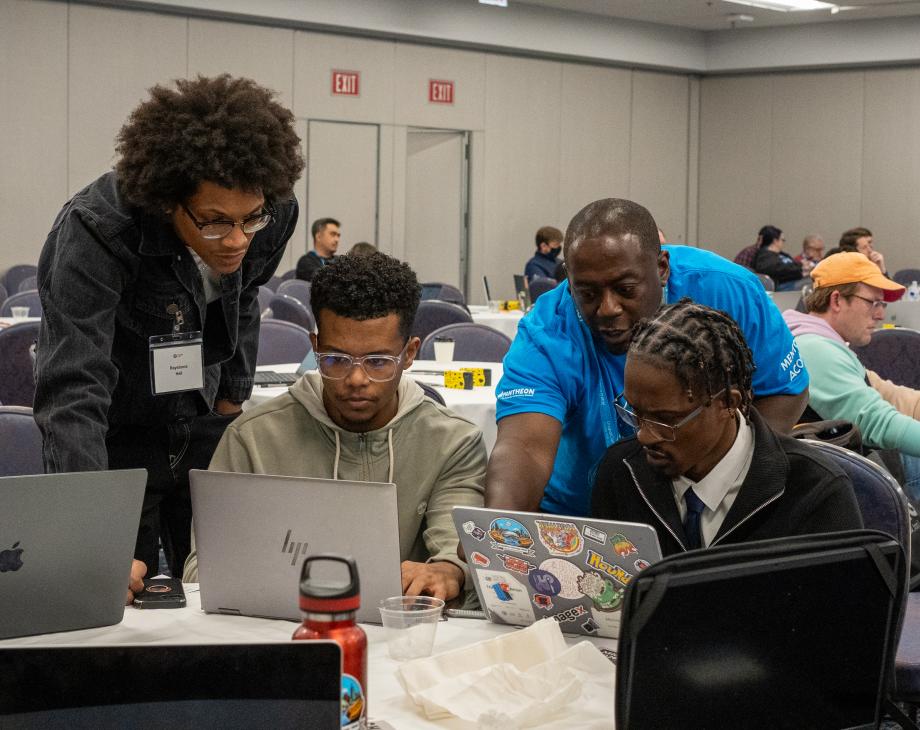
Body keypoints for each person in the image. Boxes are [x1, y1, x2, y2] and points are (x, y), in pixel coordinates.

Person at [33, 75, 303, 579]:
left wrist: (231, 404)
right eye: (214, 221)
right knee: (119, 595)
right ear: (166, 201)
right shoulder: (97, 230)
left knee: (228, 589)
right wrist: (90, 537)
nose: (237, 239)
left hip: (204, 423)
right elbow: (73, 386)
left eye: (250, 219)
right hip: (120, 431)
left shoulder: (274, 208)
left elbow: (244, 298)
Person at [182, 252, 486, 602]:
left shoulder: (453, 442)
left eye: (378, 361)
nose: (357, 379)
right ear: (315, 346)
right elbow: (204, 569)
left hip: (403, 636)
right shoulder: (253, 438)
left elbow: (456, 548)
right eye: (336, 359)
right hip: (280, 633)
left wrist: (447, 570)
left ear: (410, 353)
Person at [488, 198, 809, 517]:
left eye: (626, 289)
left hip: (714, 509)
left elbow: (783, 390)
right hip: (585, 517)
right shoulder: (548, 329)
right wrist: (498, 528)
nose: (607, 309)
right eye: (586, 293)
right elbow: (525, 448)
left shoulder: (728, 290)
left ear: (662, 268)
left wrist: (732, 486)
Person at [592, 300, 862, 556]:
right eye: (635, 413)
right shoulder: (621, 472)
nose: (644, 435)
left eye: (666, 419)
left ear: (727, 403)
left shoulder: (814, 492)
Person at [782, 252, 920, 500]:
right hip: (840, 484)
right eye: (873, 303)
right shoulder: (814, 349)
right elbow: (878, 424)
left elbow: (890, 395)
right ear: (836, 300)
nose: (880, 315)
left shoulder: (826, 342)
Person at [752, 225, 808, 291]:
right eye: (782, 240)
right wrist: (800, 266)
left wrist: (804, 268)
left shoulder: (783, 254)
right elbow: (773, 269)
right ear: (775, 241)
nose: (783, 243)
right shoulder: (764, 255)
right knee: (813, 284)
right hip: (782, 286)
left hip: (795, 281)